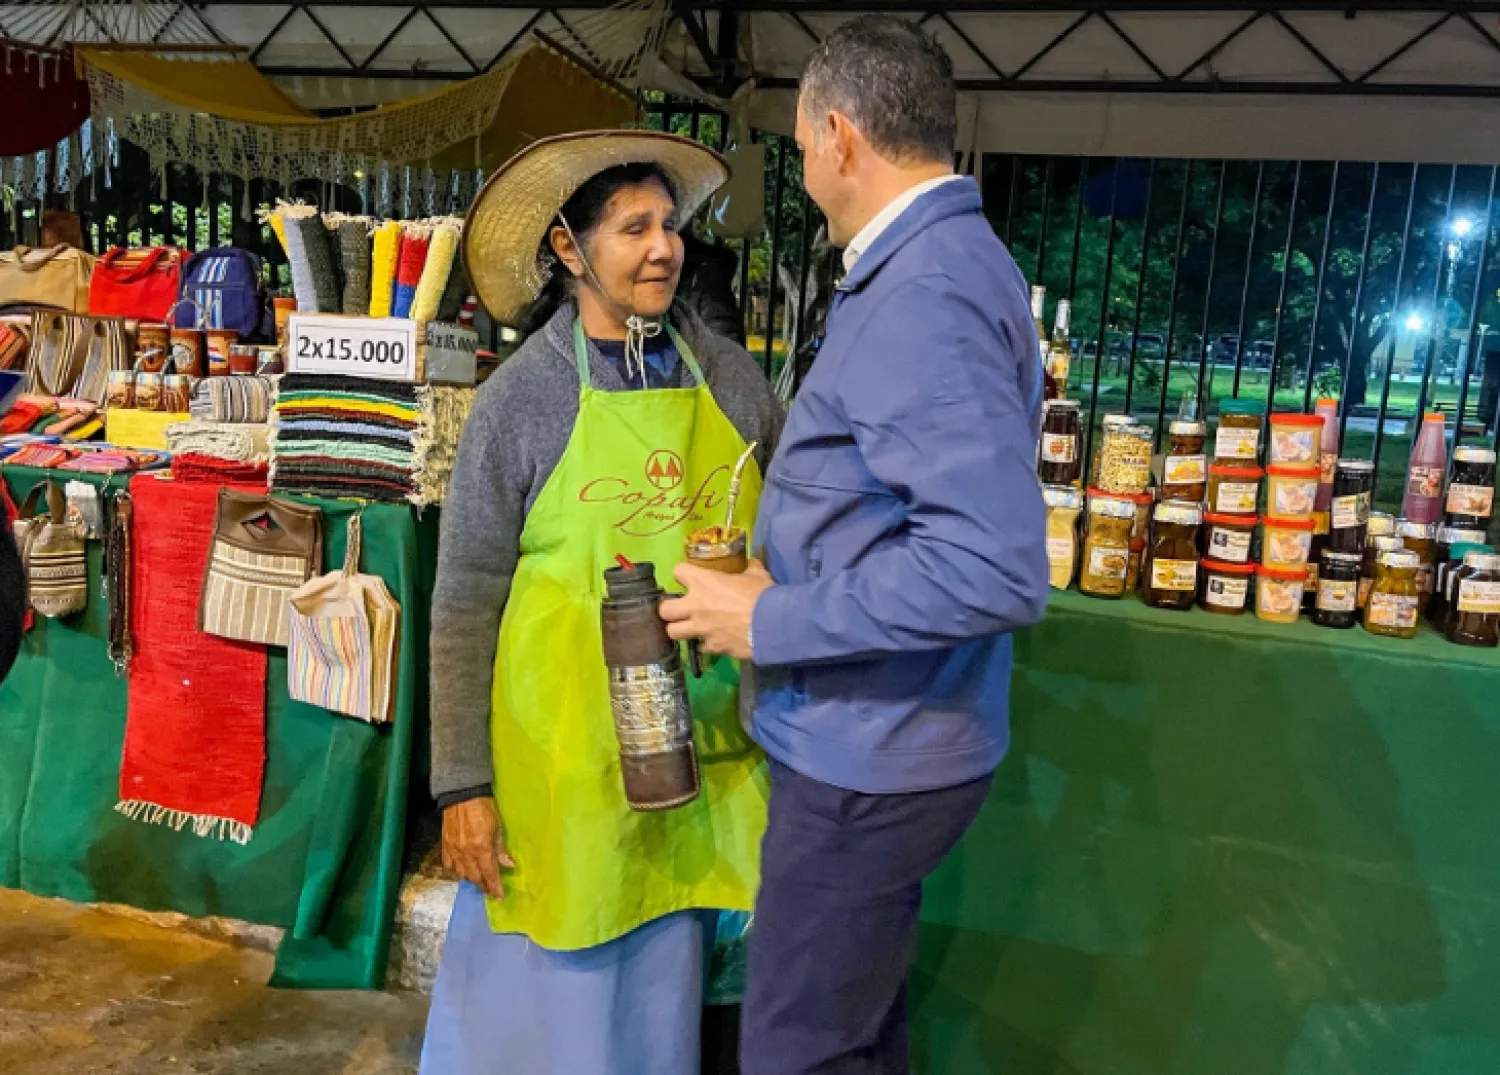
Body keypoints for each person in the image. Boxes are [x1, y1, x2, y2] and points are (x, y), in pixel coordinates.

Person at [660, 15, 1049, 1074]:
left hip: (871, 753)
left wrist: (771, 616)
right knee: (856, 1034)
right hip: (880, 734)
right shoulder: (939, 266)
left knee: (801, 1048)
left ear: (839, 136)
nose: (802, 169)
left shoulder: (926, 292)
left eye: (795, 148)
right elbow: (897, 501)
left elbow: (992, 567)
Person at [421, 130, 783, 1075]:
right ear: (567, 249)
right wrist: (463, 786)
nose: (663, 245)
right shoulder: (522, 402)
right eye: (633, 227)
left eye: (668, 224)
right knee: (555, 1016)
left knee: (671, 1014)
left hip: (707, 759)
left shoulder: (732, 383)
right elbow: (461, 600)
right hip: (564, 766)